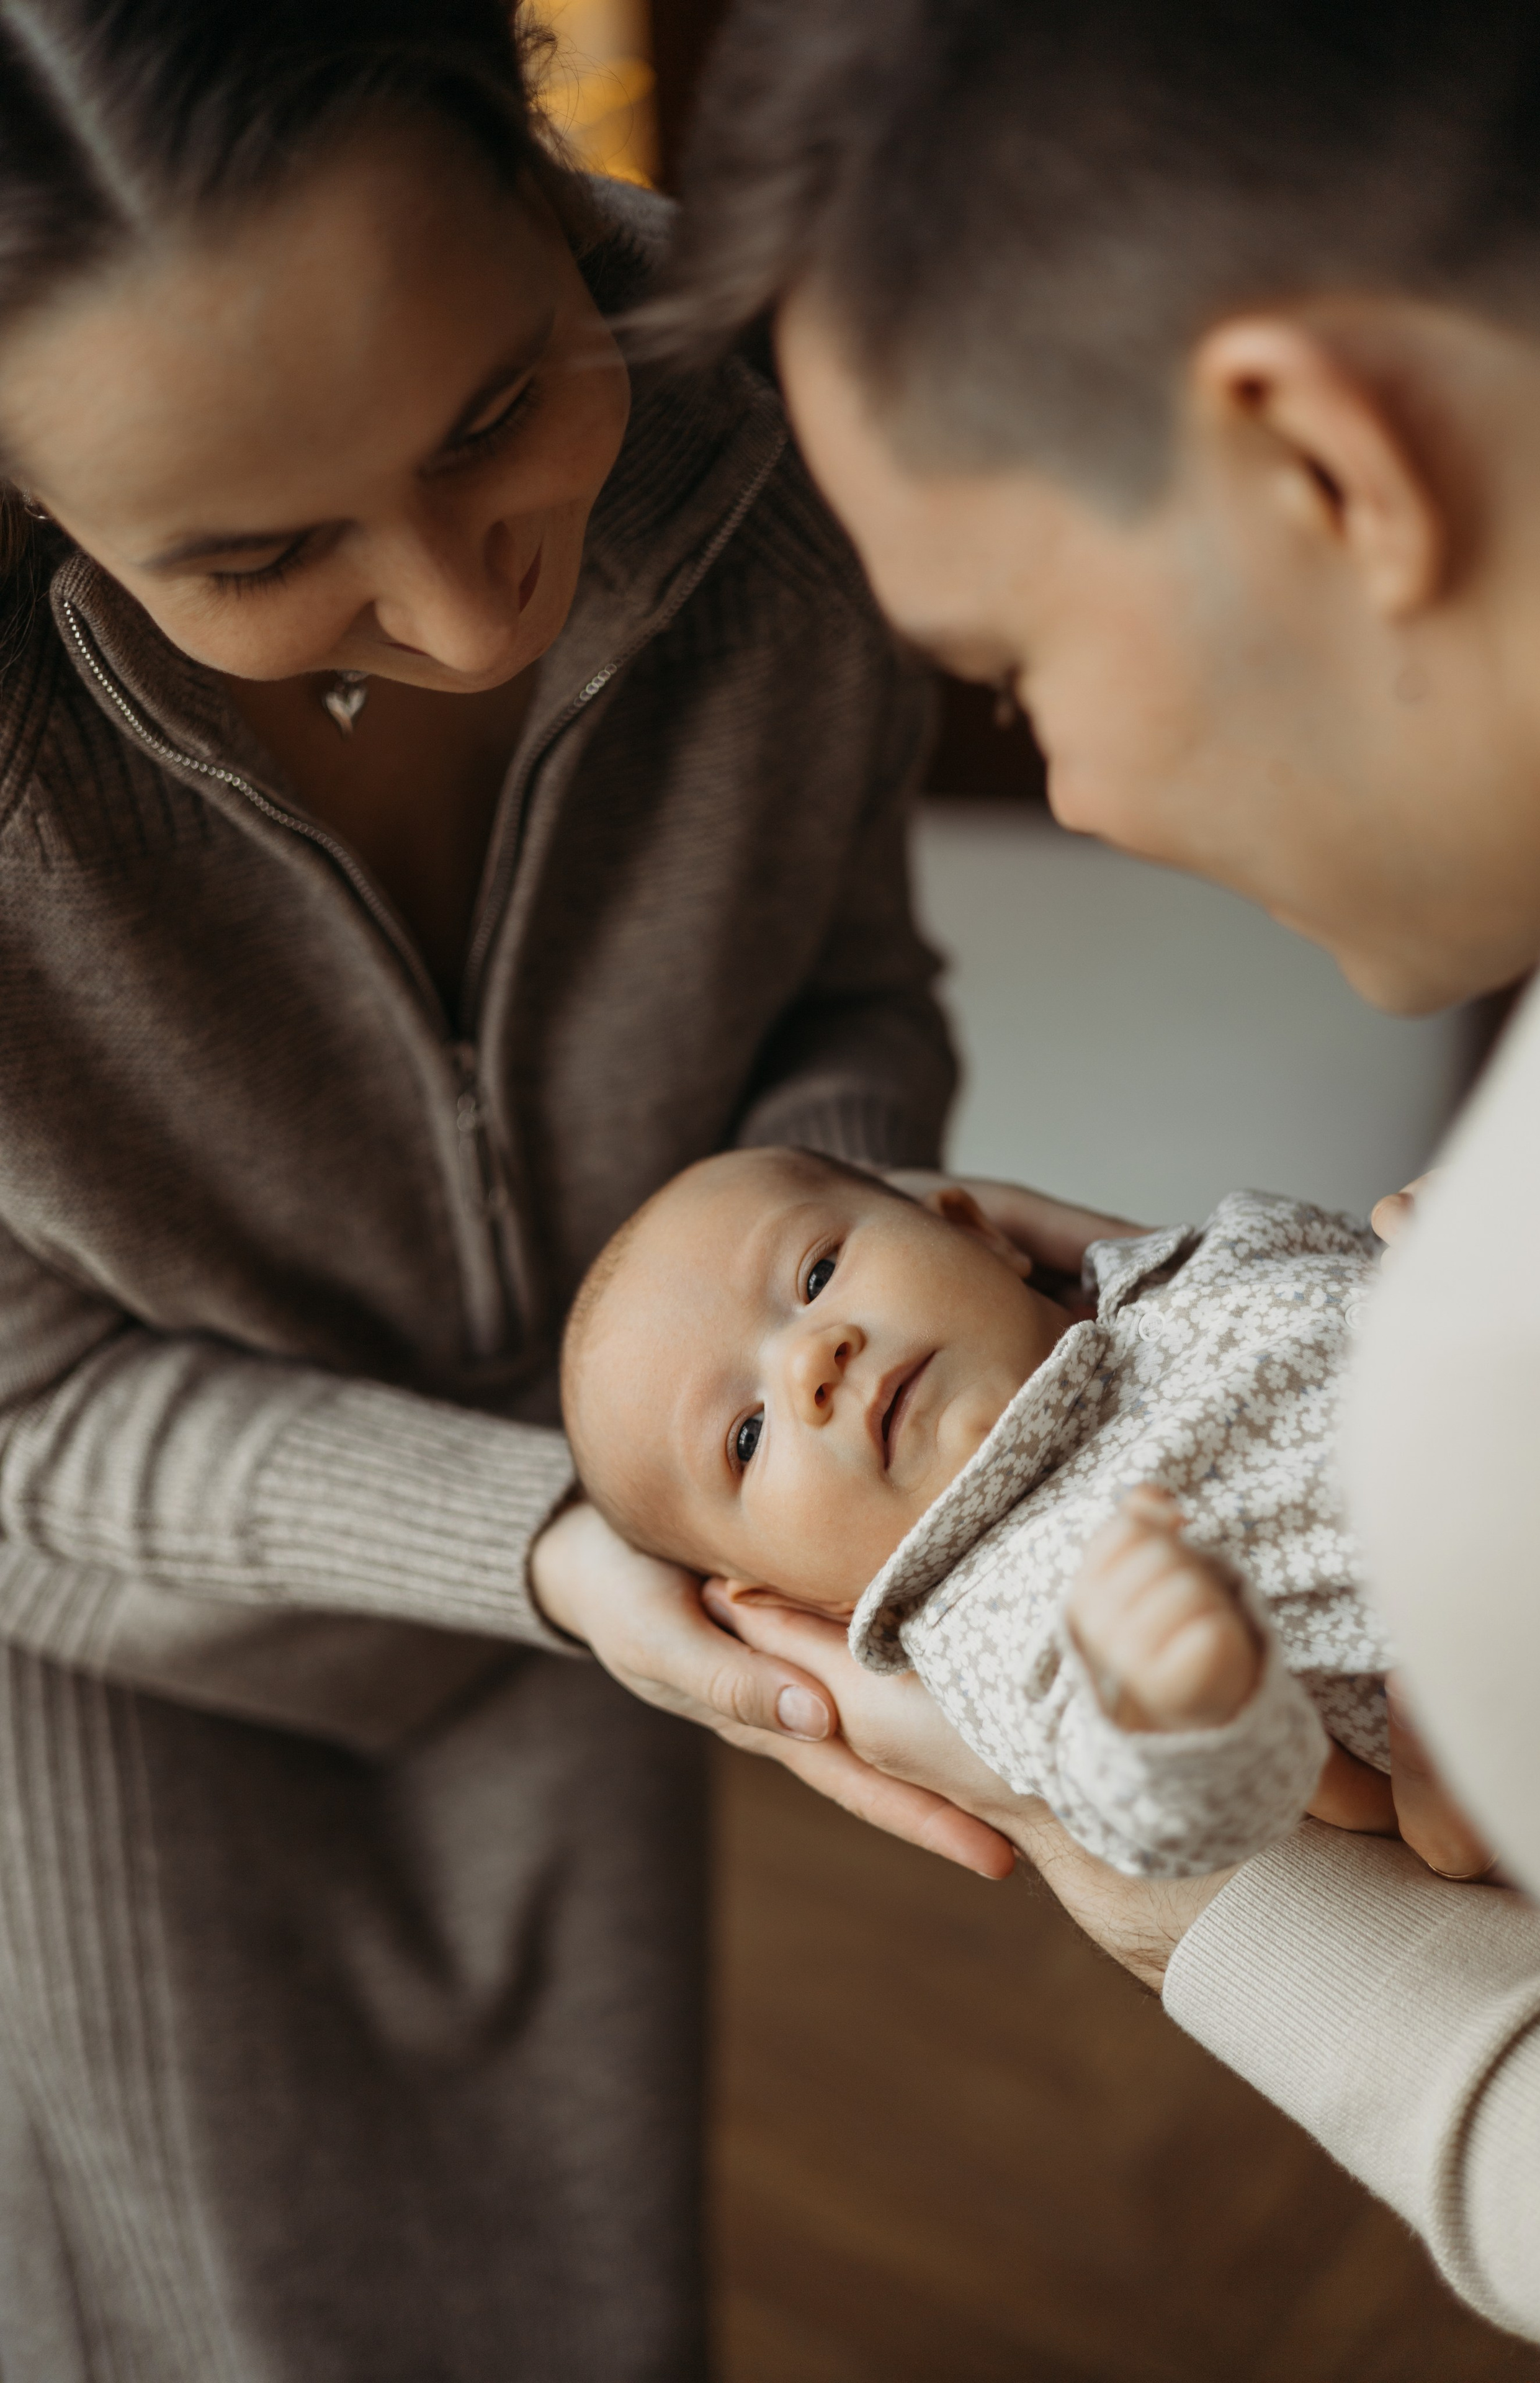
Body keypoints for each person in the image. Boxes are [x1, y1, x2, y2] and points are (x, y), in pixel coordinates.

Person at [0, 0, 1032, 2369]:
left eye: (494, 413)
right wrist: (536, 1538)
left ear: (546, 167)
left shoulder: (766, 396)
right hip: (130, 1661)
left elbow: (844, 987)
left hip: (628, 1604)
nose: (478, 617)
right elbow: (22, 1418)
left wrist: (819, 1294)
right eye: (260, 553)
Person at [638, 0, 1540, 2366]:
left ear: (1320, 464)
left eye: (1010, 663)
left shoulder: (1518, 1376)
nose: (1064, 792)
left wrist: (1206, 1932)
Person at [562, 1146, 1407, 1877]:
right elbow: (1137, 1809)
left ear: (977, 1230)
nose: (811, 1362)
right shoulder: (1005, 1621)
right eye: (746, 1438)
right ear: (793, 1601)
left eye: (817, 1276)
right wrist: (1175, 1716)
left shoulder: (1204, 1253)